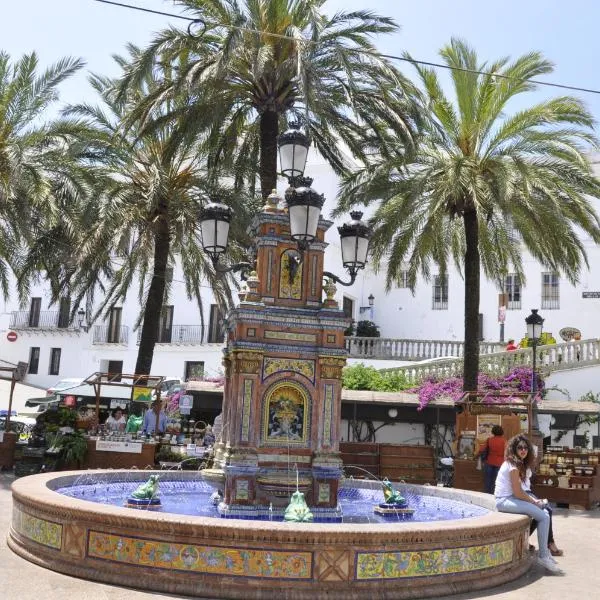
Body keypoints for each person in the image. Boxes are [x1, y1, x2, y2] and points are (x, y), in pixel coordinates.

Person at [494, 434, 563, 574]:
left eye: (526, 448)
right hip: (504, 501)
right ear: (514, 449)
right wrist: (534, 502)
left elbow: (519, 492)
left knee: (545, 513)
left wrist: (535, 502)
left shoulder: (518, 463)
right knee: (543, 516)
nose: (523, 450)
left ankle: (545, 553)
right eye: (520, 448)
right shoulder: (512, 465)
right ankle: (543, 556)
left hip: (512, 498)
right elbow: (518, 492)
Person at [479, 425, 506, 494]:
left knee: (487, 481)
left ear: (493, 431)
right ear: (502, 432)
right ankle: (494, 497)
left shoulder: (489, 440)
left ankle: (486, 496)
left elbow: (481, 449)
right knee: (497, 482)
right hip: (500, 464)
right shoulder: (504, 441)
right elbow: (507, 453)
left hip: (489, 462)